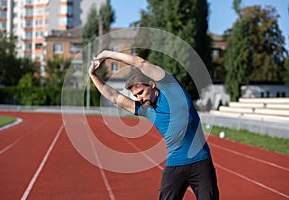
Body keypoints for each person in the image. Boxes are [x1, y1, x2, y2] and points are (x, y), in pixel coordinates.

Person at [89, 50, 219, 200]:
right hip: (174, 165)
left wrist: (107, 54)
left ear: (151, 84)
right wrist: (93, 75)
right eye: (136, 95)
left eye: (141, 92)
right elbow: (114, 97)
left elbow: (140, 62)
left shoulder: (172, 88)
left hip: (201, 163)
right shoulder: (145, 110)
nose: (139, 98)